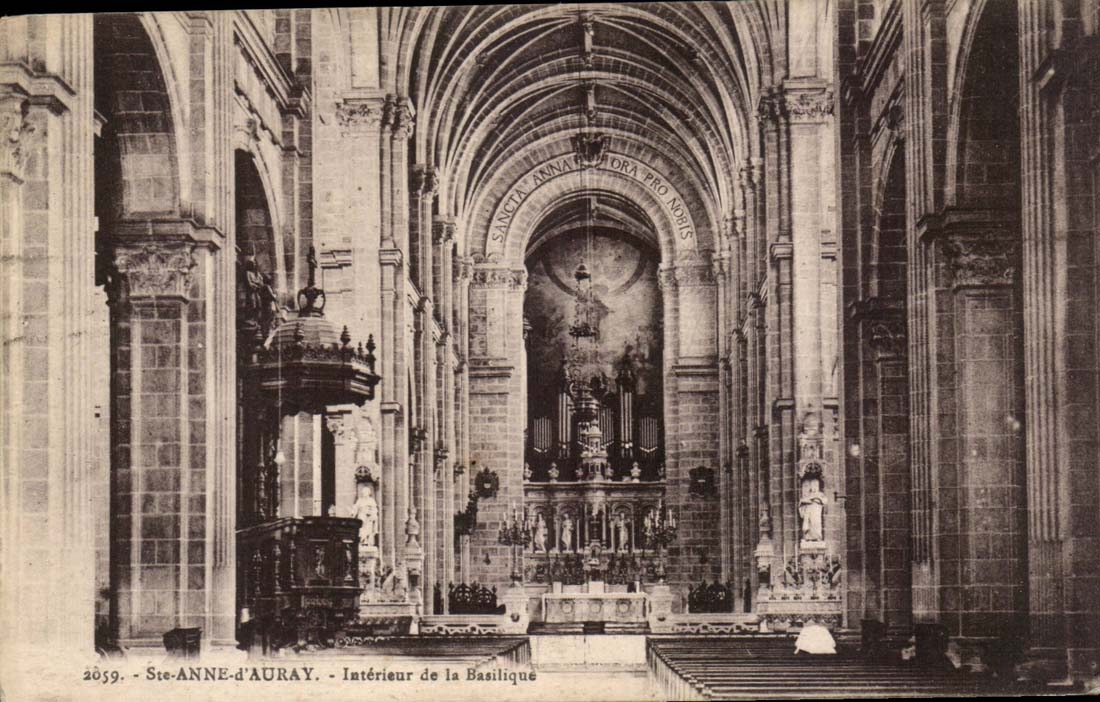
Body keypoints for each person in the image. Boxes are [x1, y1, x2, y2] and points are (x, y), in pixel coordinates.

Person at [799, 477, 826, 541]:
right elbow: (802, 501)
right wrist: (810, 500)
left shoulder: (820, 494)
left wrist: (817, 499)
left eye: (816, 485)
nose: (814, 487)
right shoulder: (808, 494)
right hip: (809, 510)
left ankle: (817, 537)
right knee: (809, 523)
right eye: (813, 485)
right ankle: (808, 538)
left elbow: (825, 501)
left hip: (816, 510)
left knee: (816, 523)